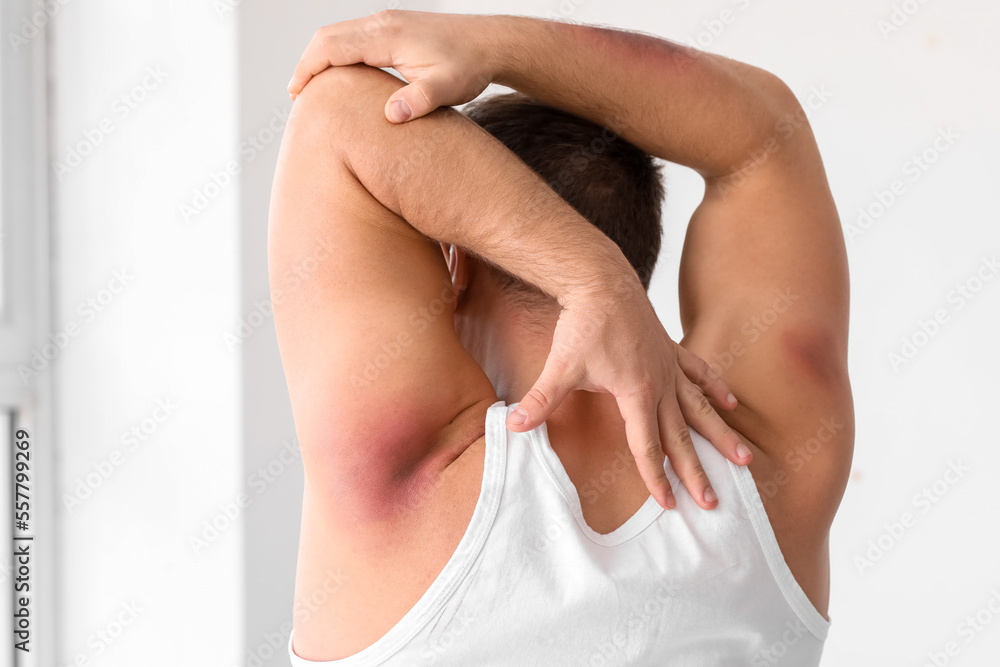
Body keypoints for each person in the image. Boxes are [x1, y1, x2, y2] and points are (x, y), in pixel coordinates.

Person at [269, 10, 854, 665]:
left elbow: (334, 111)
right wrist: (489, 45)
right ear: (640, 254)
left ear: (452, 262)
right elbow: (765, 133)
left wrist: (585, 273)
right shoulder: (770, 461)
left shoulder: (401, 484)